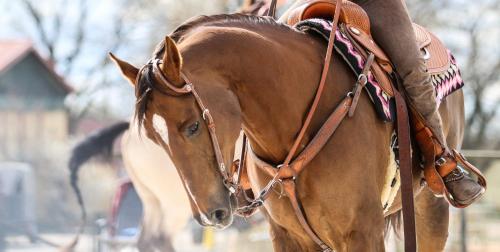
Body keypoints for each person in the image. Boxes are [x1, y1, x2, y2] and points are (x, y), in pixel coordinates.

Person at [280, 0, 485, 206]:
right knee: (260, 47)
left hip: (374, 3)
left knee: (412, 69)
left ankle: (443, 160)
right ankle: (248, 168)